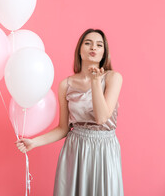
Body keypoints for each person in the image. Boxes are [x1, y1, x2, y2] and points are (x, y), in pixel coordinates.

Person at [15, 29, 124, 196]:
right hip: (76, 150)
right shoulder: (66, 84)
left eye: (99, 44)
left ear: (104, 52)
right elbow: (63, 128)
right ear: (79, 49)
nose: (93, 47)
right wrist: (34, 142)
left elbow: (102, 117)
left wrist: (95, 83)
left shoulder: (113, 78)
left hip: (104, 149)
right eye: (88, 43)